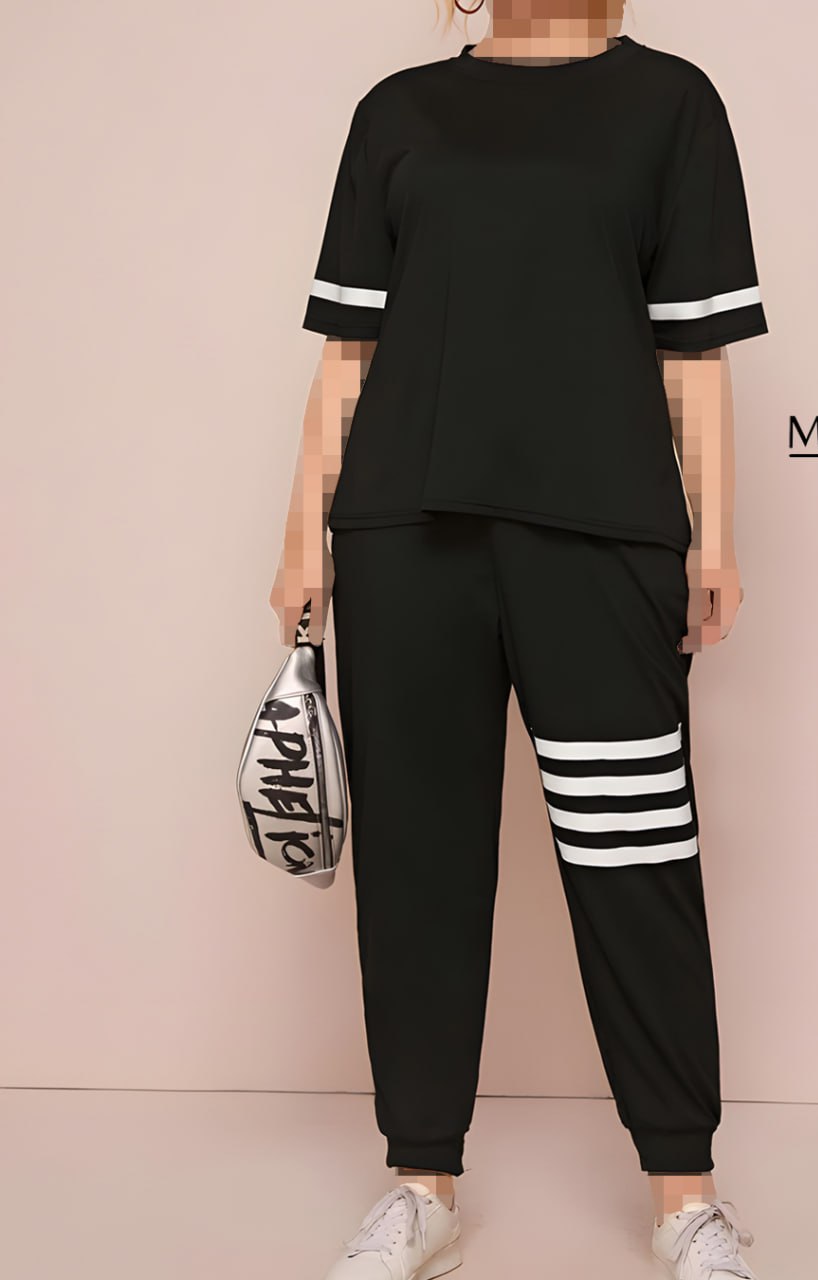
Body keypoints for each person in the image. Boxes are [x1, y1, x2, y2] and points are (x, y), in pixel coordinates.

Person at [270, 2, 768, 1277]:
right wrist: (303, 534)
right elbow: (348, 348)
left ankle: (685, 1194)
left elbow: (693, 346)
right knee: (417, 860)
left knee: (634, 850)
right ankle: (420, 1182)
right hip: (404, 532)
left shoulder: (671, 104)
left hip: (603, 533)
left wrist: (711, 535)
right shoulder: (397, 112)